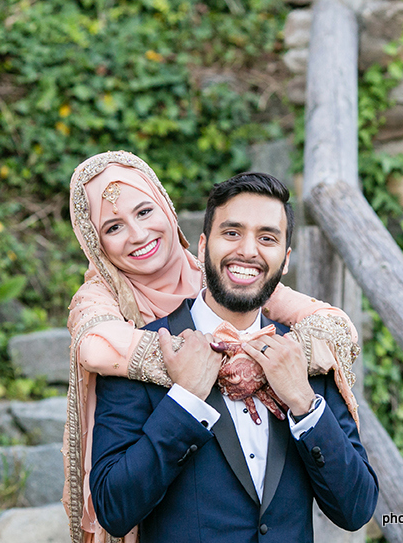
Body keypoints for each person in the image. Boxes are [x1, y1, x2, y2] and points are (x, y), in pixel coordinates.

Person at [63, 151, 363, 543]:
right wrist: (188, 391)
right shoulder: (112, 324)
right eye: (114, 226)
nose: (138, 235)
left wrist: (296, 394)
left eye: (144, 212)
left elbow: (333, 327)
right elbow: (97, 349)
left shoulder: (282, 344)